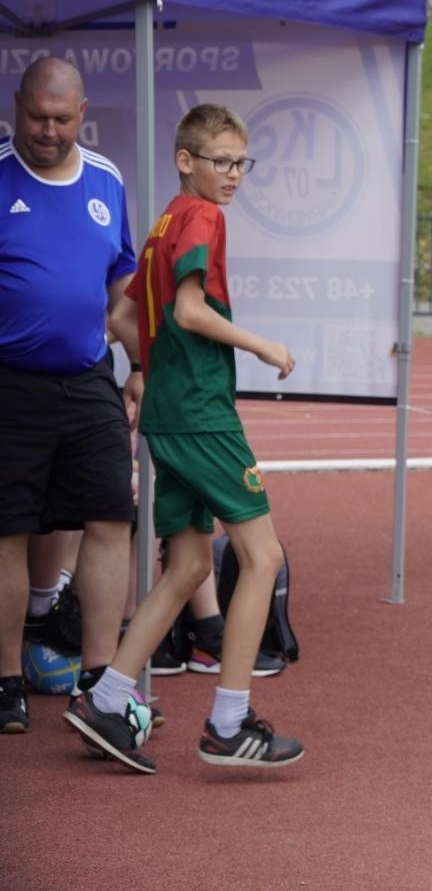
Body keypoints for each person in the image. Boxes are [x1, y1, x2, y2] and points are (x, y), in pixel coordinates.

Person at [64, 103, 303, 773]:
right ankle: (229, 724)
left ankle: (108, 697)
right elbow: (192, 311)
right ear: (185, 159)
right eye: (220, 161)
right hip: (201, 414)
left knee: (192, 564)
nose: (232, 175)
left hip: (171, 414)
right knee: (263, 557)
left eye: (240, 163)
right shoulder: (202, 217)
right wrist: (259, 345)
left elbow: (120, 314)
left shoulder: (163, 222)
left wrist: (154, 372)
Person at [0, 57, 140, 735]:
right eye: (36, 117)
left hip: (89, 379)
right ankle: (5, 684)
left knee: (111, 520)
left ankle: (100, 684)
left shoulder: (107, 181)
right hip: (9, 382)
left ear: (83, 114)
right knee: (7, 533)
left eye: (61, 119)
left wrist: (138, 365)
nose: (47, 131)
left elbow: (120, 287)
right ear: (16, 106)